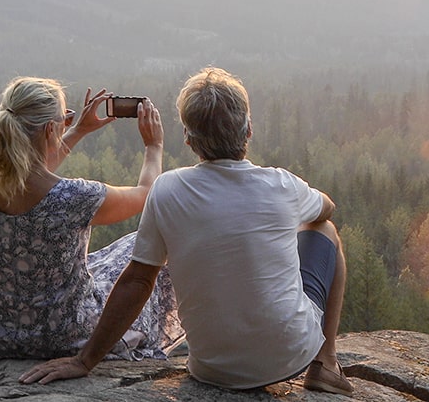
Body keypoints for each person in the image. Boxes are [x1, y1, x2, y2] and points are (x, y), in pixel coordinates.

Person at [19, 67, 354, 395]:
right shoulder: (282, 184)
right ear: (248, 130)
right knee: (325, 230)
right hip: (290, 358)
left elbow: (138, 281)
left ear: (189, 139)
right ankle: (325, 362)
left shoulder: (168, 190)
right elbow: (326, 209)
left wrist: (85, 360)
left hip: (212, 370)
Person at [0, 76, 184, 361]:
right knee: (152, 247)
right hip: (66, 336)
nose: (67, 123)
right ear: (49, 130)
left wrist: (78, 130)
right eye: (64, 120)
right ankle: (141, 341)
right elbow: (145, 194)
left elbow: (27, 170)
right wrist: (154, 146)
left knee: (101, 262)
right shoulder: (74, 197)